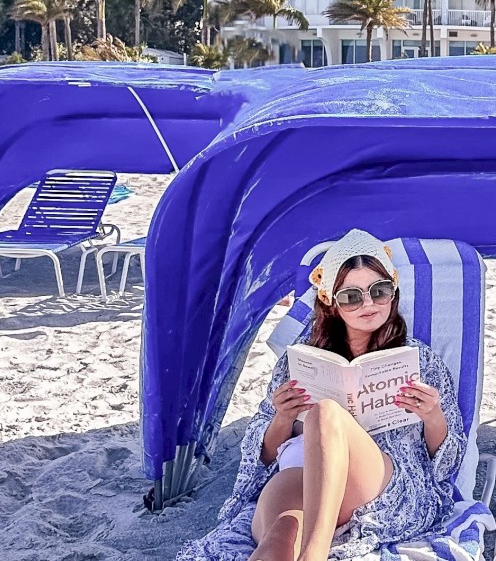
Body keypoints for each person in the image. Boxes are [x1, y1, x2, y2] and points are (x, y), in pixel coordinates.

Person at [178, 229, 465, 561]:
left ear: (394, 292)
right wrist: (283, 418)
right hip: (302, 475)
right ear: (330, 302)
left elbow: (446, 462)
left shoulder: (420, 360)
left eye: (379, 291)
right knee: (279, 540)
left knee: (326, 413)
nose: (368, 304)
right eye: (352, 296)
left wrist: (433, 416)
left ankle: (313, 554)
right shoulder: (301, 360)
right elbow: (263, 457)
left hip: (381, 483)